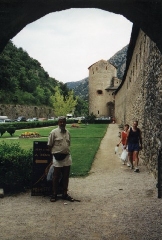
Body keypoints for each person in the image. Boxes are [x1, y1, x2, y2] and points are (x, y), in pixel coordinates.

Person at [47, 116, 74, 202]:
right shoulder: (53, 132)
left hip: (66, 157)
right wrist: (53, 156)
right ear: (58, 123)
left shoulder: (68, 133)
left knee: (66, 176)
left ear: (65, 123)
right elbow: (49, 145)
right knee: (56, 176)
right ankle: (54, 194)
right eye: (60, 122)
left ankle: (64, 194)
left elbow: (68, 144)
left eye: (63, 122)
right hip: (57, 157)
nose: (62, 123)